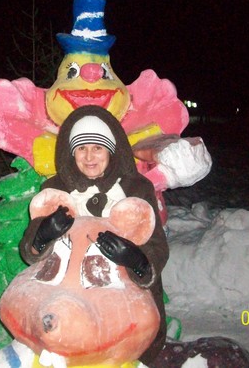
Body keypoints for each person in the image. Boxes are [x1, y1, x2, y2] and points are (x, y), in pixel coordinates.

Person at [19, 104, 169, 365]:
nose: (89, 156)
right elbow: (29, 251)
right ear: (72, 152)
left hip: (124, 302)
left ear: (110, 150)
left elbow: (158, 246)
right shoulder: (55, 189)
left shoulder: (136, 188)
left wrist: (137, 260)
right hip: (69, 300)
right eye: (81, 148)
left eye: (97, 147)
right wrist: (42, 236)